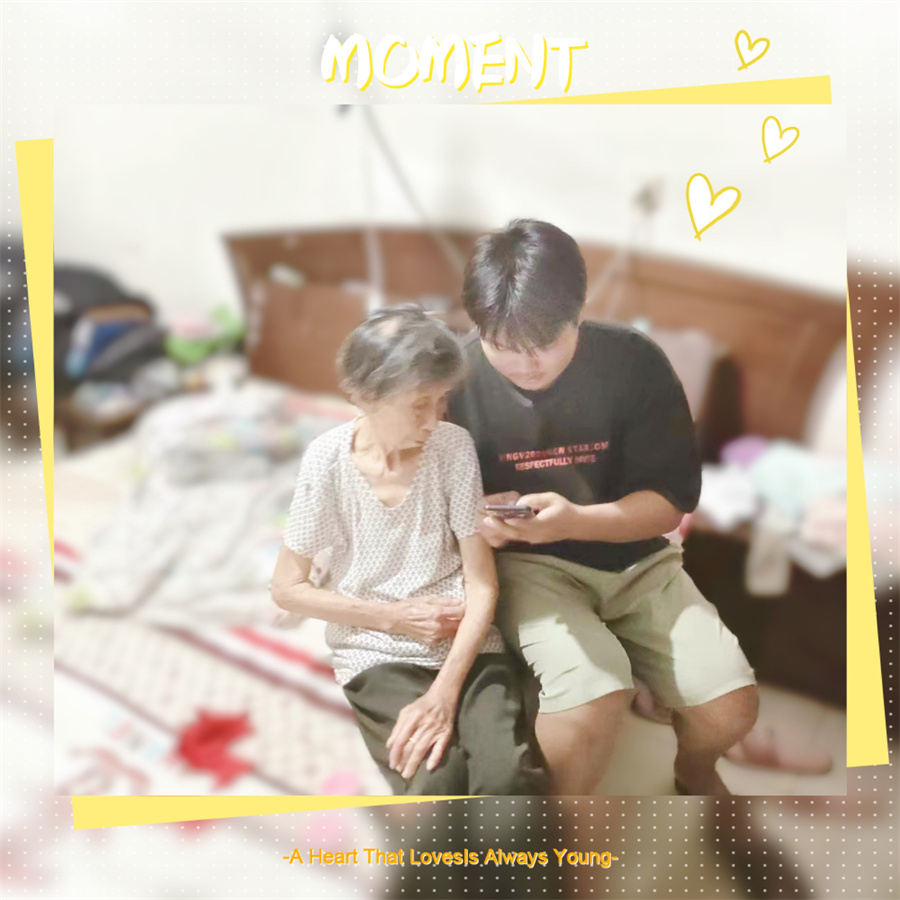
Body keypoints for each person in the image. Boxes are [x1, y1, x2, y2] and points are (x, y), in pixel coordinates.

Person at [446, 219, 759, 795]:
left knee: (730, 705)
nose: (526, 365)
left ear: (578, 315)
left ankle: (694, 769)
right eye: (504, 347)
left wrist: (575, 521)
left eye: (545, 344)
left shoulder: (634, 362)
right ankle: (558, 832)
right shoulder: (453, 378)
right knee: (593, 693)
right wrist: (476, 518)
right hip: (527, 567)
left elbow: (668, 506)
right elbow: (424, 503)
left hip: (637, 560)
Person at [270, 306, 547, 796]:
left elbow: (482, 582)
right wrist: (395, 618)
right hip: (377, 654)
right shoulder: (327, 460)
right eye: (419, 404)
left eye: (442, 401)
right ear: (364, 395)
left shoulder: (453, 447)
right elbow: (288, 589)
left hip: (467, 647)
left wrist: (445, 692)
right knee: (436, 781)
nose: (434, 419)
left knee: (508, 778)